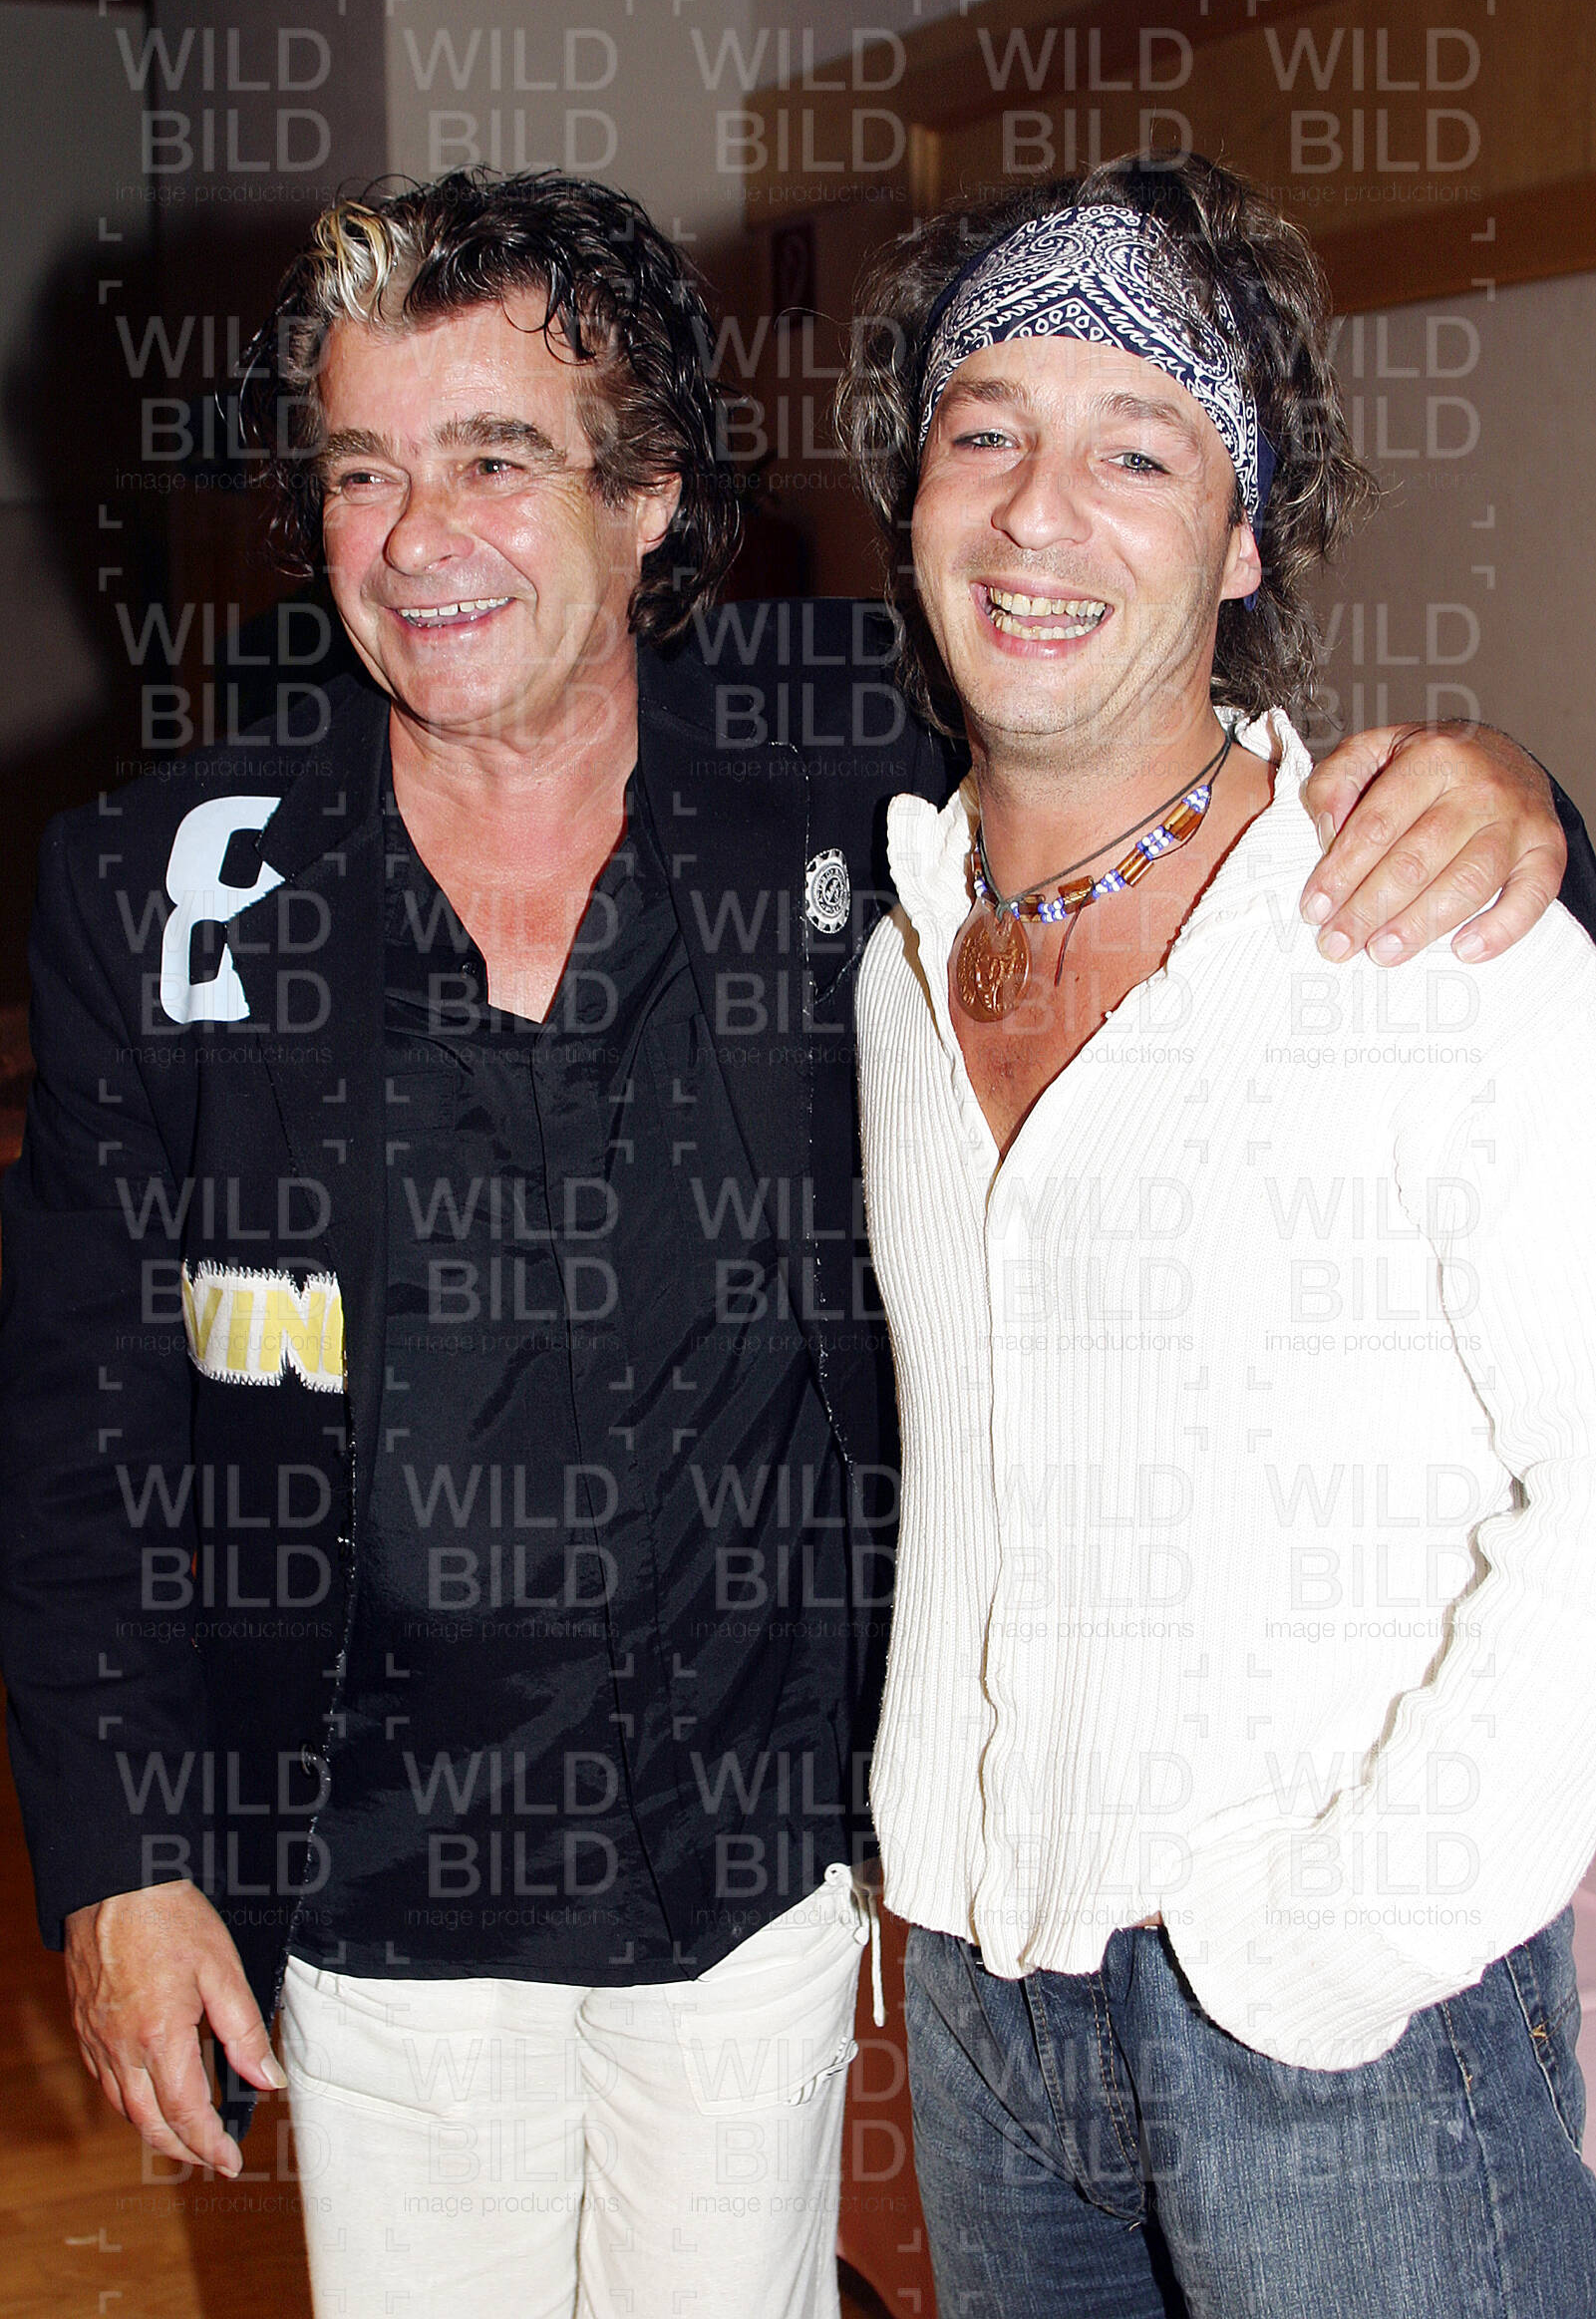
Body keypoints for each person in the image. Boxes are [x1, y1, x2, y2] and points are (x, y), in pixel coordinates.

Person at [0, 167, 1579, 2319]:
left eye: (497, 460)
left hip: (764, 1873)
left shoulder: (843, 765)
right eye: (363, 471)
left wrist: (1515, 791)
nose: (420, 537)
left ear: (649, 495)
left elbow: (1171, 750)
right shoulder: (163, 894)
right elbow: (76, 1430)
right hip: (376, 1879)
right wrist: (120, 1859)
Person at [842, 151, 1596, 2317]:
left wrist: (1347, 1942)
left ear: (1244, 535)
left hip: (1344, 2045)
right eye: (983, 431)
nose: (1037, 513)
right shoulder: (889, 960)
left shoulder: (1429, 940)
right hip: (985, 1996)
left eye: (1137, 450)